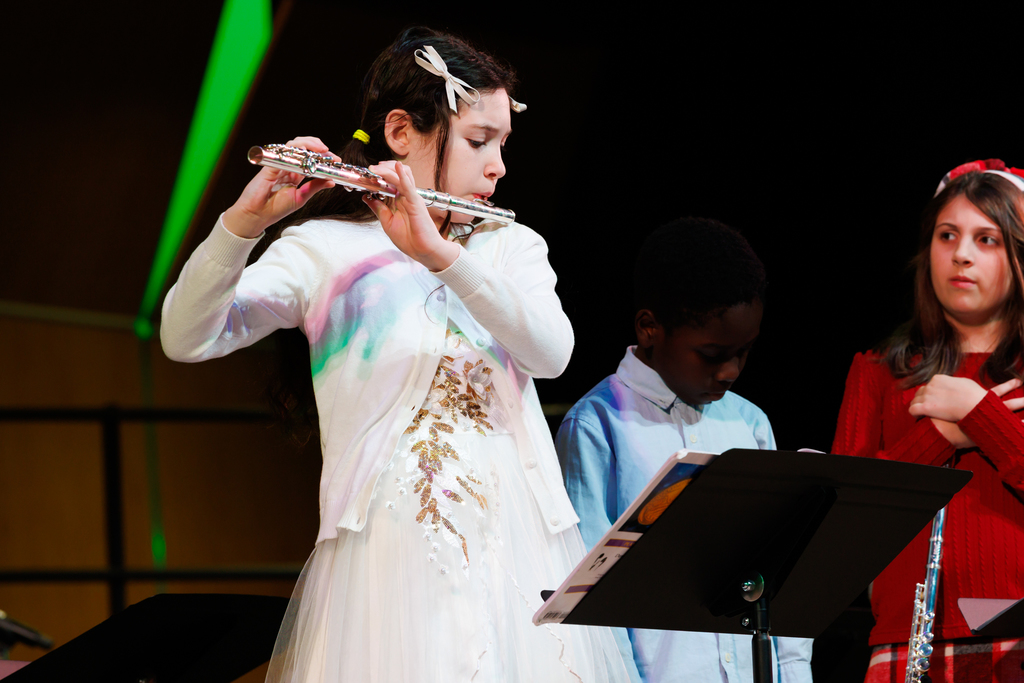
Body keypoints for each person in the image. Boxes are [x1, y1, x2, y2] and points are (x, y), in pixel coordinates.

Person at [160, 27, 629, 683]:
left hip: (518, 541)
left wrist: (441, 255)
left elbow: (551, 353)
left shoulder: (509, 247)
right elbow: (186, 337)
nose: (497, 166)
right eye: (479, 141)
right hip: (388, 551)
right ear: (402, 132)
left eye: (502, 143)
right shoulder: (326, 249)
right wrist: (243, 224)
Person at [556, 217, 814, 683]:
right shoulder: (597, 425)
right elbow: (592, 600)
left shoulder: (750, 424)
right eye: (712, 355)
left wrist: (793, 674)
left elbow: (780, 577)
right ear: (650, 328)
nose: (731, 371)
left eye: (744, 352)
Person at [831, 159, 1024, 682]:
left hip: (1017, 645)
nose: (961, 254)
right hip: (906, 645)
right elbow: (845, 525)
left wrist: (978, 412)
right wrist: (943, 434)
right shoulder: (878, 371)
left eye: (987, 239)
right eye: (947, 235)